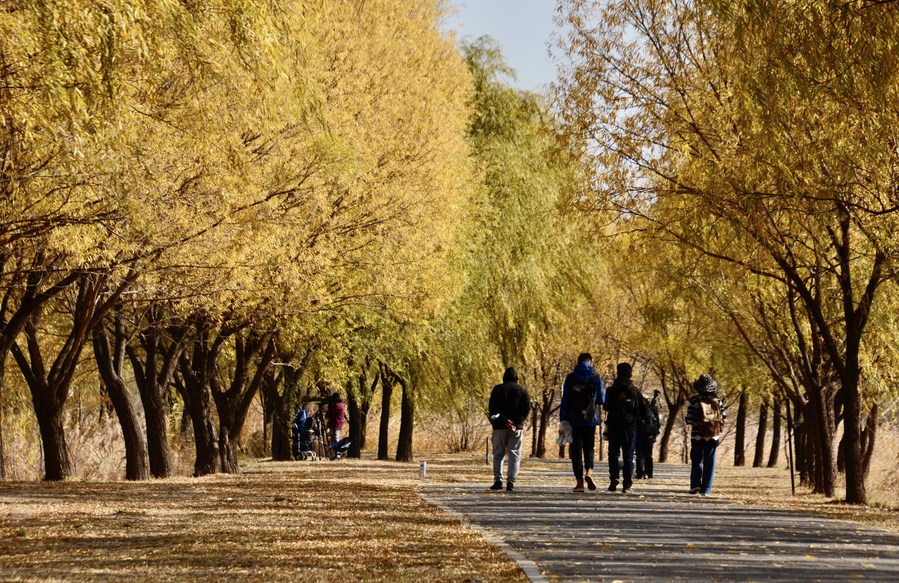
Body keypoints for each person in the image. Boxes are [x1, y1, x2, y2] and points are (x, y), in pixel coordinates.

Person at [559, 353, 605, 492]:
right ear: (590, 362)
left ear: (578, 361)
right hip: (590, 419)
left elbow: (565, 400)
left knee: (576, 450)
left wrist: (563, 420)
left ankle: (579, 483)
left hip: (574, 419)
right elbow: (602, 400)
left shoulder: (570, 378)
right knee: (589, 447)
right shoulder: (596, 377)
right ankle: (589, 472)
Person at [488, 367, 532, 491]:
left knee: (498, 454)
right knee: (514, 454)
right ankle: (510, 482)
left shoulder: (497, 389)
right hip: (516, 428)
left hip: (499, 428)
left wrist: (504, 420)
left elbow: (492, 408)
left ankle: (498, 480)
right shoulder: (522, 390)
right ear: (516, 378)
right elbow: (526, 408)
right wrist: (516, 421)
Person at [684, 374, 727, 496]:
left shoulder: (694, 399)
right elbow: (724, 416)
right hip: (713, 435)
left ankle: (695, 485)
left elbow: (690, 418)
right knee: (710, 462)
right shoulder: (717, 400)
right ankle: (706, 489)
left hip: (697, 435)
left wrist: (694, 422)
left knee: (696, 460)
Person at [603, 362, 641, 494]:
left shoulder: (611, 390)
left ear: (617, 373)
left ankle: (614, 479)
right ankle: (627, 485)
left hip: (614, 425)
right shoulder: (634, 391)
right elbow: (642, 409)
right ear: (630, 374)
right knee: (628, 456)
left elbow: (605, 406)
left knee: (613, 454)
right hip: (630, 427)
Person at [635, 389, 661, 479]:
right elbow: (657, 423)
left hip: (638, 434)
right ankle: (649, 473)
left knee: (639, 455)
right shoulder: (653, 409)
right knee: (648, 455)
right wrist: (655, 433)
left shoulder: (636, 409)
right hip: (649, 435)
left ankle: (639, 473)